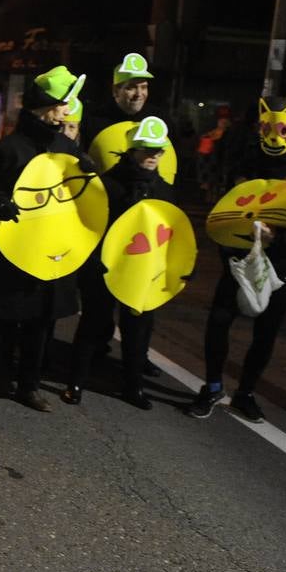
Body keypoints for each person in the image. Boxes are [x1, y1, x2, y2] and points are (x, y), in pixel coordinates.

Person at [0, 66, 82, 412]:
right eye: (65, 104)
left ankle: (28, 385)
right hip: (14, 247)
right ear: (49, 106)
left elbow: (88, 192)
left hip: (51, 247)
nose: (68, 111)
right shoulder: (11, 146)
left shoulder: (67, 147)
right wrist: (0, 204)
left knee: (41, 323)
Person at [187, 96, 286, 423]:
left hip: (282, 264)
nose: (275, 133)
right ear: (257, 126)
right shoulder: (245, 163)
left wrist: (280, 239)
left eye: (283, 127)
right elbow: (226, 210)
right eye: (268, 126)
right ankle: (212, 385)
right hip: (238, 259)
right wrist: (231, 247)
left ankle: (246, 392)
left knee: (266, 332)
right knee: (219, 320)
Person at [62, 117, 176, 410]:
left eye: (158, 151)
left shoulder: (164, 190)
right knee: (92, 324)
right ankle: (76, 381)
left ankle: (132, 386)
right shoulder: (109, 184)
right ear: (132, 150)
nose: (152, 156)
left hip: (141, 272)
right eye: (146, 149)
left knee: (138, 330)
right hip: (103, 267)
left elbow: (173, 234)